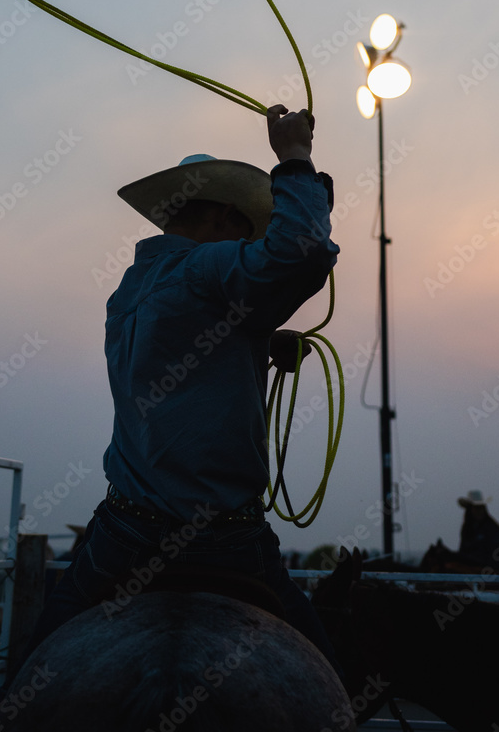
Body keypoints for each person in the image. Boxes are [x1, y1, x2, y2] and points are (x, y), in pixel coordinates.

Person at [23, 104, 340, 671]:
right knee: (331, 671)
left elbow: (178, 350)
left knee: (28, 672)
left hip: (125, 532)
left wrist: (261, 343)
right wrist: (295, 158)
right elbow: (301, 254)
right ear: (219, 218)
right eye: (245, 225)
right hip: (226, 537)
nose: (250, 237)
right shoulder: (210, 268)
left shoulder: (130, 290)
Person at [455, 490, 499, 572]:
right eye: (476, 508)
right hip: (469, 567)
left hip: (489, 569)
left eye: (481, 508)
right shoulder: (467, 528)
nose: (479, 512)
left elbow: (492, 555)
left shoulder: (494, 529)